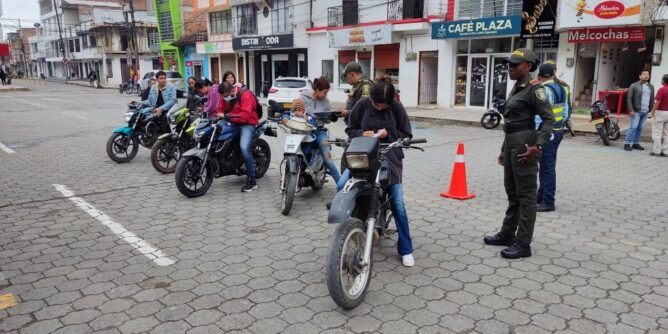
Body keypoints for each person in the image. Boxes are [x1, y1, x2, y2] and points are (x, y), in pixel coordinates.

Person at [483, 48, 555, 259]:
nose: (510, 68)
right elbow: (512, 123)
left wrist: (539, 146)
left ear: (529, 66)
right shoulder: (518, 88)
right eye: (509, 64)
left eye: (515, 65)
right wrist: (504, 149)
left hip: (526, 147)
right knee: (513, 194)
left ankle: (523, 244)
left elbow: (549, 119)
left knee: (526, 197)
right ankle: (507, 234)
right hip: (513, 144)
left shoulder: (535, 90)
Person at [345, 80, 415, 267]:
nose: (379, 107)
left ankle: (406, 249)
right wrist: (362, 133)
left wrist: (388, 135)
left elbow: (407, 134)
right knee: (343, 187)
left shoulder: (397, 108)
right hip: (364, 156)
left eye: (384, 105)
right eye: (376, 104)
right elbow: (350, 129)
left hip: (390, 156)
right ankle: (352, 232)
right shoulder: (361, 105)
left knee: (398, 204)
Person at [535, 64, 569, 213]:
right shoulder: (561, 88)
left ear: (541, 76)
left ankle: (548, 201)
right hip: (558, 131)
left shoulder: (543, 90)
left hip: (547, 133)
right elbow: (566, 111)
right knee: (548, 165)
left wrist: (536, 132)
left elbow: (538, 115)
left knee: (546, 168)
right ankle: (541, 196)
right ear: (552, 75)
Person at [217, 82, 259, 192]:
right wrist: (220, 114)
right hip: (232, 122)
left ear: (232, 91)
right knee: (216, 134)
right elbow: (220, 108)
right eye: (222, 97)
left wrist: (228, 116)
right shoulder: (224, 96)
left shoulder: (245, 95)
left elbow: (245, 116)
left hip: (247, 123)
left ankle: (252, 180)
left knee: (245, 148)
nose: (224, 99)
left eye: (225, 96)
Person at [299, 77, 341, 185]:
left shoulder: (326, 101)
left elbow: (328, 120)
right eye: (325, 92)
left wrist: (328, 117)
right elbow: (294, 110)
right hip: (304, 130)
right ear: (317, 90)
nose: (326, 95)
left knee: (329, 161)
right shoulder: (303, 97)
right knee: (294, 152)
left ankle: (342, 186)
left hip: (319, 131)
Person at [625, 70, 654, 151]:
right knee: (633, 127)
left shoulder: (651, 86)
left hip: (645, 111)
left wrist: (651, 111)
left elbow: (652, 99)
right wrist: (631, 110)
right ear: (640, 76)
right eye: (644, 74)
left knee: (640, 128)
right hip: (636, 111)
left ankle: (636, 143)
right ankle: (627, 143)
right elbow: (629, 98)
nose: (646, 75)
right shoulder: (634, 85)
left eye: (648, 74)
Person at [648, 74, 668, 157]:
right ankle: (666, 151)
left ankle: (656, 151)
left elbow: (657, 102)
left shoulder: (662, 89)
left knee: (657, 132)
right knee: (667, 133)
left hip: (660, 113)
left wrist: (652, 112)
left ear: (663, 81)